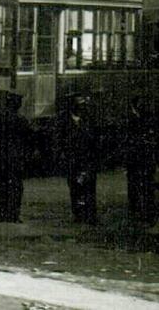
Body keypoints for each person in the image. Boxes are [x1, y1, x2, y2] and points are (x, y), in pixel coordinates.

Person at [0, 91, 31, 223]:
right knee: (16, 186)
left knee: (2, 186)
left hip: (2, 157)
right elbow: (28, 140)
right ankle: (14, 215)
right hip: (16, 158)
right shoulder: (22, 121)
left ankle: (1, 214)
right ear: (17, 105)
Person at [66, 94, 100, 225]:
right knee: (76, 188)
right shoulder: (65, 122)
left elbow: (95, 140)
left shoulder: (89, 120)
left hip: (87, 160)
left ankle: (90, 214)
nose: (83, 109)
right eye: (80, 106)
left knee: (89, 188)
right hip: (73, 161)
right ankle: (79, 214)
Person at [126, 96, 157, 225]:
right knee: (137, 185)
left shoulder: (145, 118)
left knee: (145, 186)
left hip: (144, 158)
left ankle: (145, 212)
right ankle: (137, 209)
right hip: (135, 159)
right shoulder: (130, 119)